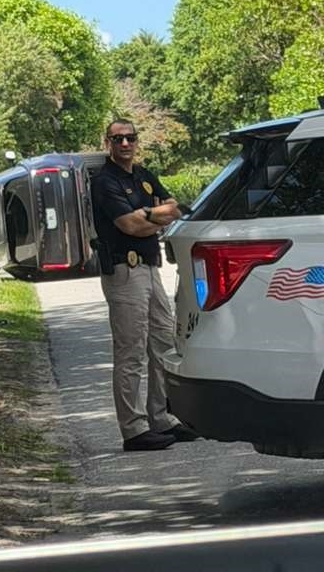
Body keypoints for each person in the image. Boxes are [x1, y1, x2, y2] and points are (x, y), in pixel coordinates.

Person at [91, 119, 200, 452]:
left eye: (130, 138)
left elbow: (175, 207)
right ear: (107, 142)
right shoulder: (104, 182)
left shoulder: (144, 176)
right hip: (124, 271)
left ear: (137, 141)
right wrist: (154, 216)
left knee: (163, 342)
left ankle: (161, 417)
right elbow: (127, 225)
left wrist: (147, 216)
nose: (125, 144)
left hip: (150, 268)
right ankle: (134, 428)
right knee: (131, 350)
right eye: (118, 139)